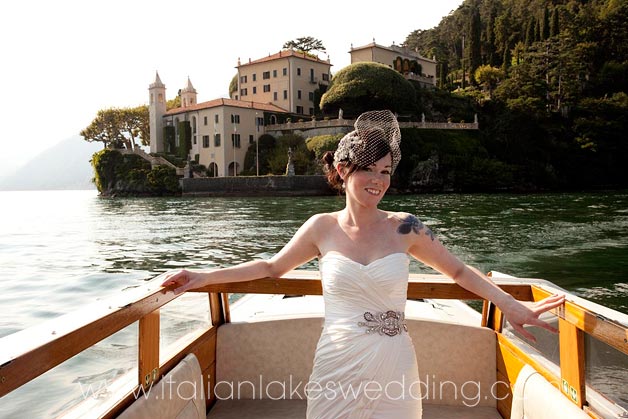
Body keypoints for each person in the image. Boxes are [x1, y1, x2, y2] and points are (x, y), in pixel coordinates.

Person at [160, 110, 565, 419]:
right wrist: (200, 277)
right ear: (342, 170)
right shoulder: (321, 227)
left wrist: (510, 305)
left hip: (393, 363)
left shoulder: (406, 227)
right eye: (368, 169)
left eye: (386, 171)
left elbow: (458, 272)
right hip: (336, 362)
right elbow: (271, 268)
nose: (379, 180)